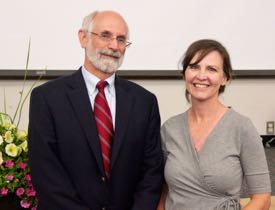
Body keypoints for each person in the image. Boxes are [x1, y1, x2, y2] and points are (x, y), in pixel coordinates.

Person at [28, 10, 163, 210]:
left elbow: (151, 172)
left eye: (121, 39)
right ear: (83, 38)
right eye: (105, 36)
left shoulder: (144, 102)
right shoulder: (47, 98)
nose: (114, 46)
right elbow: (46, 173)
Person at [158, 39, 271, 210]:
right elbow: (163, 193)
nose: (201, 75)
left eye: (211, 69)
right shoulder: (169, 129)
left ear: (224, 78)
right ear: (185, 74)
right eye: (194, 66)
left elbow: (262, 199)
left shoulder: (242, 127)